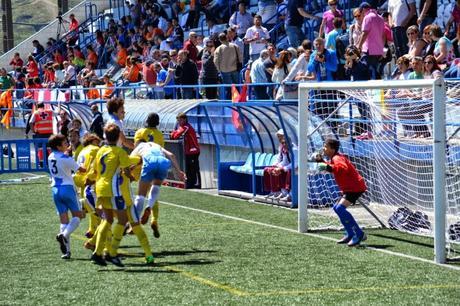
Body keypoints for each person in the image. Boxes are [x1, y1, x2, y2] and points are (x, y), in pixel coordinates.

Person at [90, 123, 136, 267]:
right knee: (123, 220)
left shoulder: (101, 150)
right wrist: (132, 176)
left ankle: (98, 253)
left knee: (108, 219)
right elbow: (126, 170)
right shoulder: (119, 152)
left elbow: (96, 169)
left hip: (100, 187)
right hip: (112, 190)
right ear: (118, 137)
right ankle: (111, 253)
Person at [316, 138, 367, 247]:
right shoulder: (334, 158)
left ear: (332, 149)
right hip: (350, 188)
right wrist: (321, 161)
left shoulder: (337, 158)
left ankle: (358, 234)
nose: (323, 149)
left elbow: (342, 168)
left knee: (339, 208)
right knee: (336, 208)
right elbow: (333, 168)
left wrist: (327, 167)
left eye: (325, 146)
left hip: (355, 187)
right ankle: (349, 233)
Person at [132, 141, 186, 242]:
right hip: (163, 161)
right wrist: (179, 172)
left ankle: (134, 222)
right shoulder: (156, 145)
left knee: (141, 196)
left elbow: (129, 161)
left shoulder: (139, 146)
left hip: (149, 160)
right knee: (156, 186)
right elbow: (172, 155)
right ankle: (149, 207)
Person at [48, 134, 85, 259]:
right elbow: (81, 169)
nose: (67, 144)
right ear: (58, 146)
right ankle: (63, 235)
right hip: (67, 188)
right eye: (64, 143)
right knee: (78, 216)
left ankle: (66, 252)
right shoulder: (65, 158)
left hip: (55, 189)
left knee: (64, 220)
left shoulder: (50, 156)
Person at [170, 112, 201, 189]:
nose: (179, 122)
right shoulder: (183, 127)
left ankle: (196, 184)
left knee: (194, 168)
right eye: (178, 121)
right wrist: (173, 133)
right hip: (188, 151)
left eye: (180, 120)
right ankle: (189, 184)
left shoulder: (186, 127)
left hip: (193, 151)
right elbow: (174, 135)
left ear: (185, 119)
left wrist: (173, 133)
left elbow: (176, 135)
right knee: (188, 168)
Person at [263, 129, 292, 201]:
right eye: (278, 137)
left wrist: (281, 167)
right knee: (267, 170)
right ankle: (273, 191)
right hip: (285, 165)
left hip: (291, 167)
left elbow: (293, 162)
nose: (279, 138)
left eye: (280, 136)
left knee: (278, 171)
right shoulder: (281, 146)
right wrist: (276, 164)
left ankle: (283, 192)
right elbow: (279, 158)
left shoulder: (292, 148)